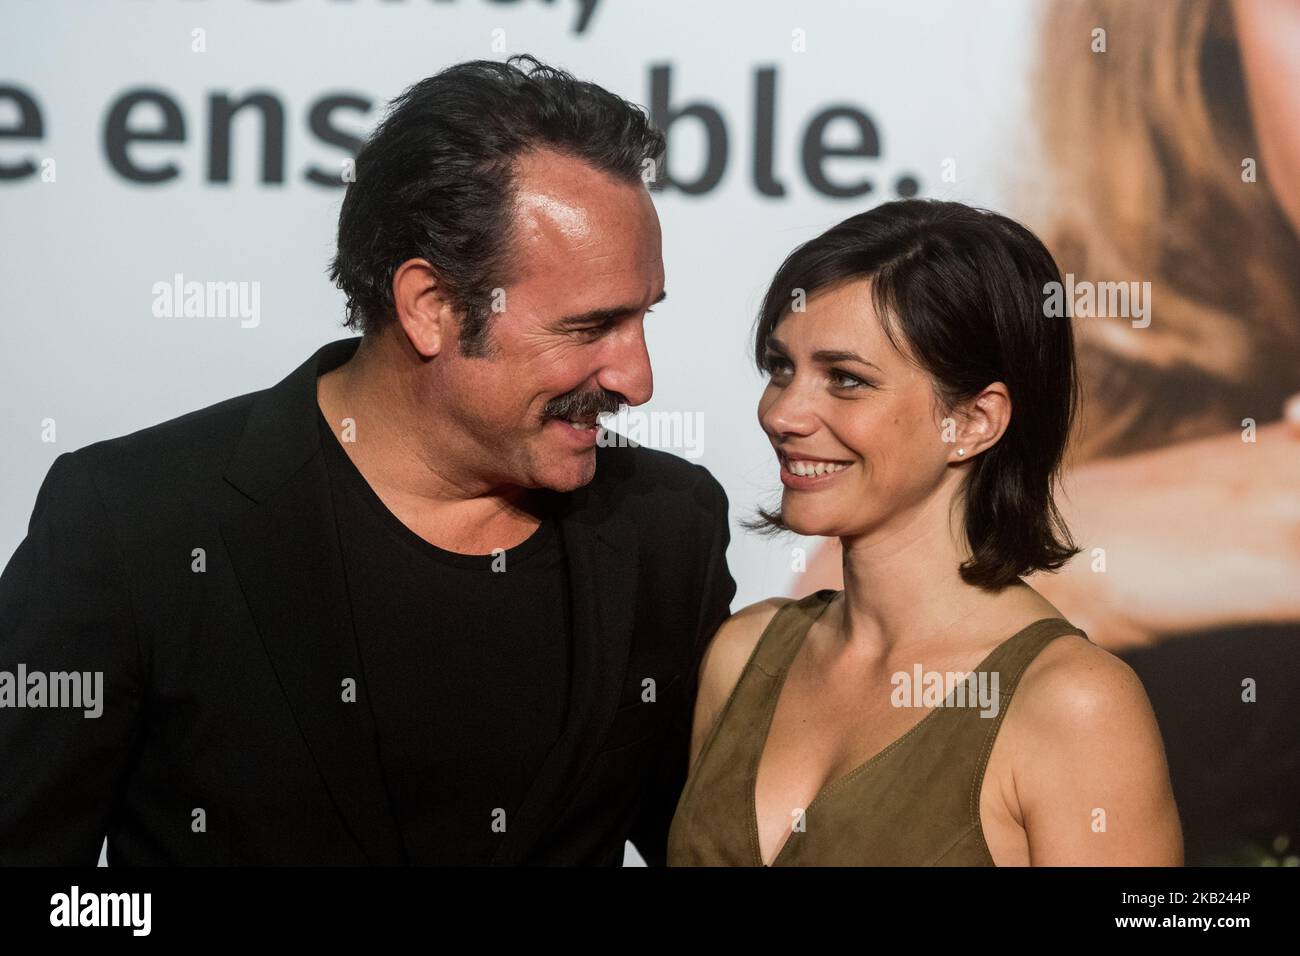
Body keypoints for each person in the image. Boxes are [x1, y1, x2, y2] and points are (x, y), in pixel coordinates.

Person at [0, 55, 735, 866]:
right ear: (432, 307)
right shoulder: (134, 523)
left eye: (643, 318)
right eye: (589, 327)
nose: (637, 378)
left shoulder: (670, 529)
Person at [667, 199, 1183, 866]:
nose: (784, 413)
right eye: (781, 368)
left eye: (846, 380)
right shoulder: (744, 653)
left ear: (972, 422)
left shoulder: (1073, 706)